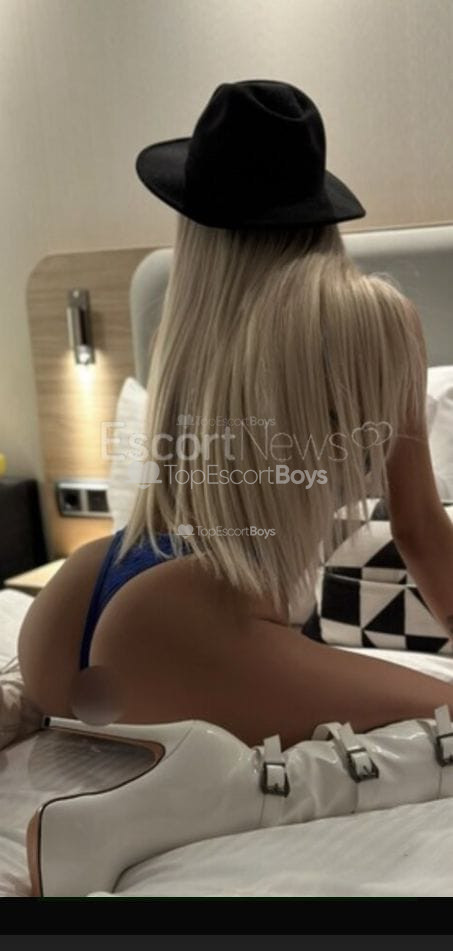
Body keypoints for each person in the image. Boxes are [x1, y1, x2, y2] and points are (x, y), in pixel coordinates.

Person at [18, 80, 453, 750]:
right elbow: (418, 525)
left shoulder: (184, 323)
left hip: (77, 603)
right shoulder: (374, 319)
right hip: (185, 626)